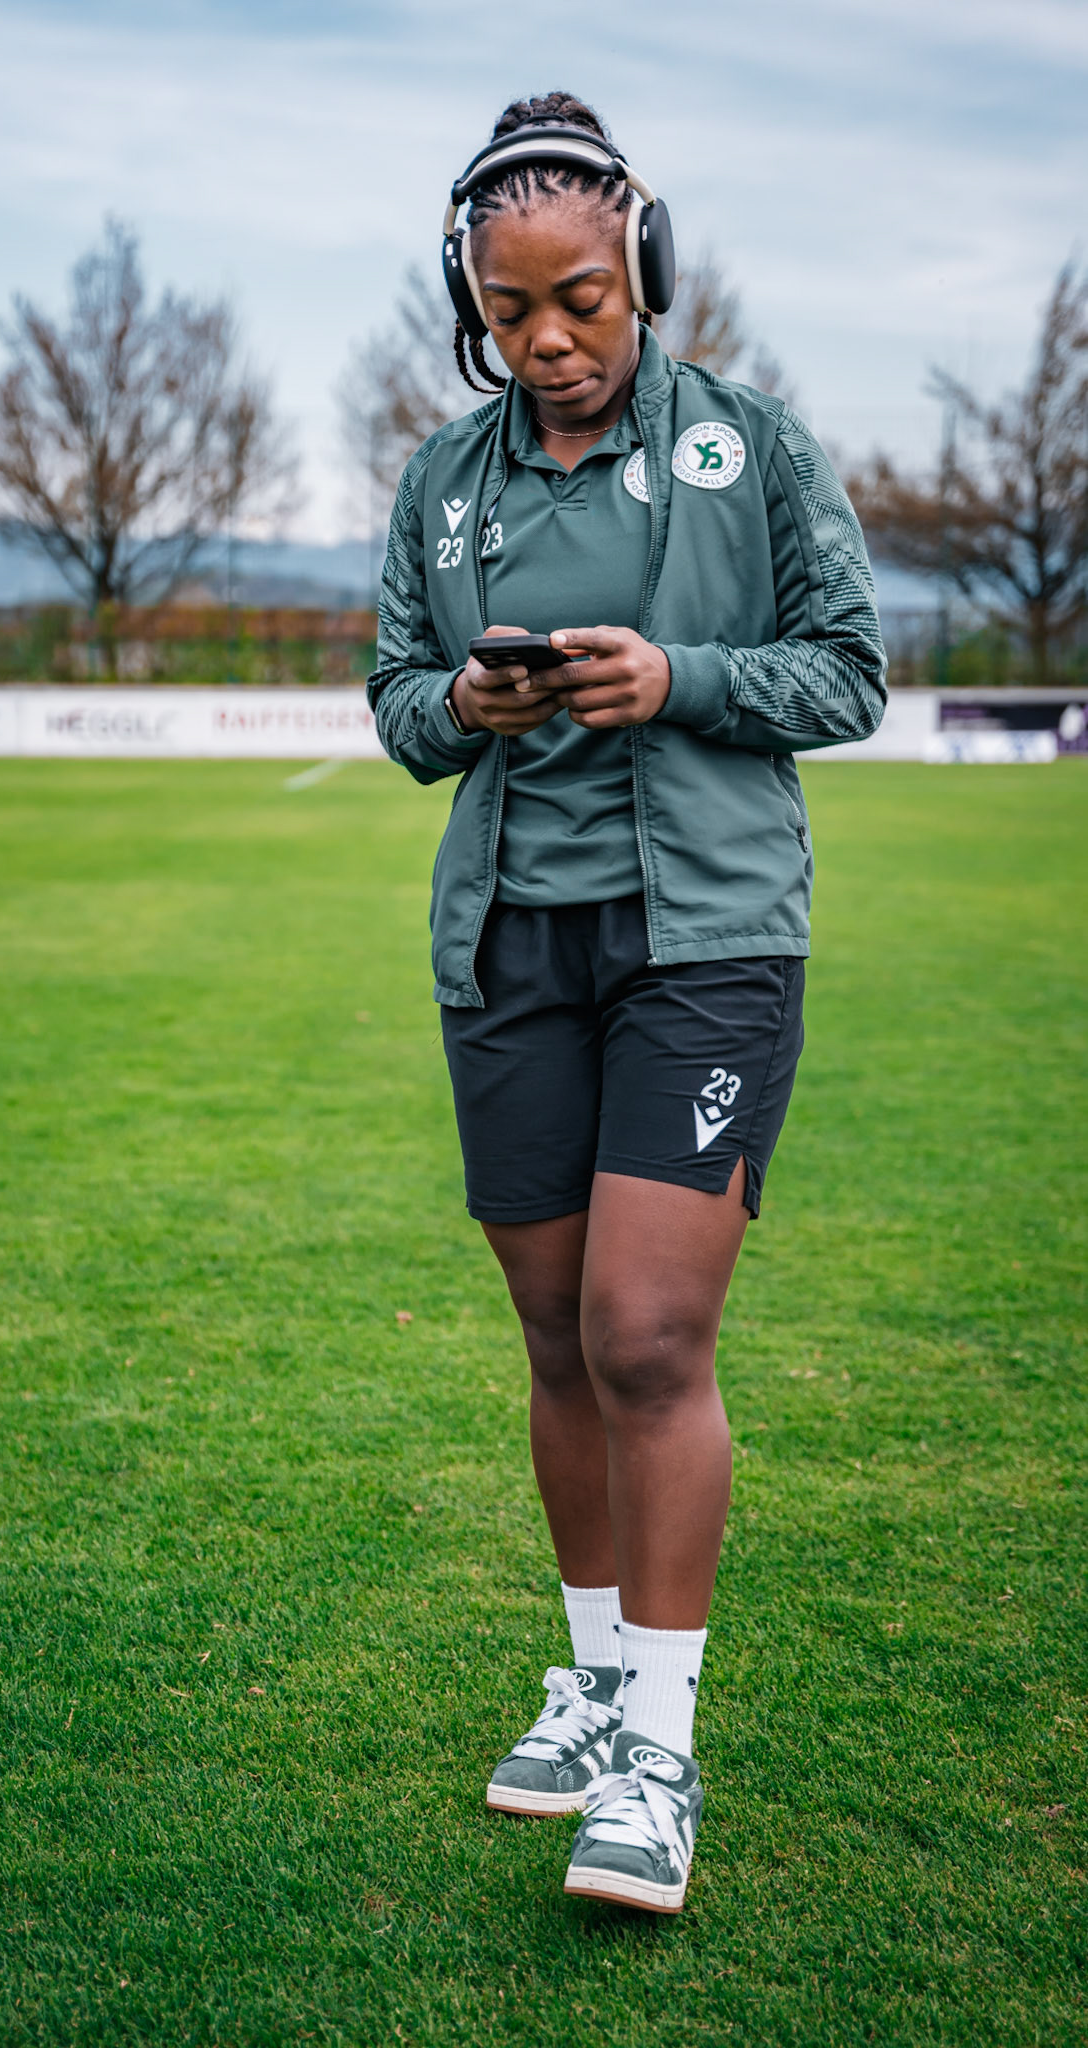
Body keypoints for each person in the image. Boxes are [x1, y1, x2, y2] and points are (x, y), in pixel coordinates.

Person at [367, 90, 886, 1915]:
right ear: (469, 303)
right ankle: (589, 1686)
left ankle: (655, 1746)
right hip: (511, 951)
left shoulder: (753, 446)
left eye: (581, 297)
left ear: (642, 271)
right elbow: (395, 700)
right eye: (511, 311)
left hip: (706, 947)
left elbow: (848, 673)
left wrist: (674, 676)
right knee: (555, 1340)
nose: (550, 339)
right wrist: (468, 713)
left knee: (648, 1339)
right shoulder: (445, 481)